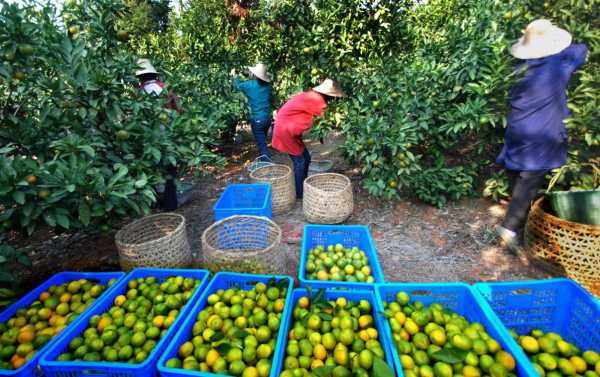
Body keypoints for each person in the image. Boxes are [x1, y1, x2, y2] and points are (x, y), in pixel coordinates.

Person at [495, 20, 588, 251]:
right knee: (528, 182)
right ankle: (509, 229)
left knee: (518, 177)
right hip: (542, 136)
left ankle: (517, 225)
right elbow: (581, 49)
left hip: (517, 129)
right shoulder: (558, 65)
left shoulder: (516, 68)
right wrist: (559, 43)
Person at [272, 78, 345, 199]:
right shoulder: (317, 100)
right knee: (299, 162)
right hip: (285, 131)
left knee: (306, 157)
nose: (333, 99)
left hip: (287, 129)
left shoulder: (312, 96)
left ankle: (303, 185)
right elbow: (326, 120)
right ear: (328, 95)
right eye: (333, 97)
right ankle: (300, 194)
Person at [135, 58, 181, 211]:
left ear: (140, 77)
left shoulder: (138, 93)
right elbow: (179, 110)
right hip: (167, 136)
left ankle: (154, 201)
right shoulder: (166, 89)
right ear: (155, 75)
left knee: (152, 170)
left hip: (147, 138)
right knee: (170, 169)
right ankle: (170, 204)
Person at [232, 63, 273, 161]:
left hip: (257, 119)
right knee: (263, 142)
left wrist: (234, 75)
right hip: (267, 119)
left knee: (262, 145)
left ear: (255, 75)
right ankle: (264, 159)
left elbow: (237, 85)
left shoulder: (250, 85)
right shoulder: (267, 86)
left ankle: (266, 165)